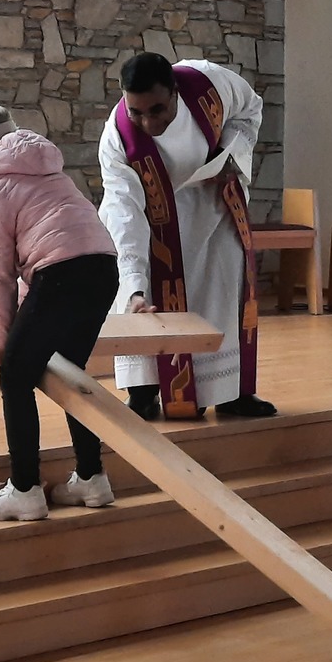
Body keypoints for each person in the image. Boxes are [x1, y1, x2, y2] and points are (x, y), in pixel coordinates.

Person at [0, 104, 121, 522]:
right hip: (104, 268)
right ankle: (91, 477)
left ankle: (25, 489)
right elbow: (47, 247)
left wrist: (2, 339)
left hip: (62, 274)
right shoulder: (48, 167)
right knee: (70, 371)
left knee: (14, 375)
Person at [98, 52, 276, 421]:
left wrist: (230, 154)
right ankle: (143, 393)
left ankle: (231, 393)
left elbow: (250, 111)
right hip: (153, 221)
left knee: (225, 290)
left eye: (158, 110)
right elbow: (123, 215)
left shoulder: (210, 83)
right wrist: (133, 286)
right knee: (142, 296)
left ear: (175, 92)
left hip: (213, 204)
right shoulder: (118, 139)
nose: (148, 123)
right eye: (136, 112)